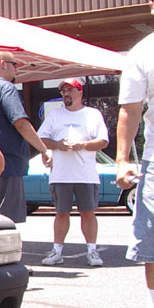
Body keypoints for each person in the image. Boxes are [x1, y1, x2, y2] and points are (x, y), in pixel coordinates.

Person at [116, 0, 154, 308]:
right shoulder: (143, 53)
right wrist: (122, 158)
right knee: (153, 238)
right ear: (153, 6)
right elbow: (129, 110)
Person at [0, 51, 52, 222]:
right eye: (15, 64)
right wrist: (44, 150)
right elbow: (20, 123)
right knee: (5, 221)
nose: (17, 69)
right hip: (5, 162)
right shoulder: (6, 88)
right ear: (3, 64)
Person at [37, 78, 108, 267]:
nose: (66, 94)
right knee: (61, 213)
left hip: (86, 175)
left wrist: (82, 145)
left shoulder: (92, 114)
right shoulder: (55, 115)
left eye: (70, 90)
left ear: (80, 92)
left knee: (88, 213)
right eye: (63, 91)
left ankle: (92, 252)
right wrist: (57, 145)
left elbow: (103, 141)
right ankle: (57, 252)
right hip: (60, 174)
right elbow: (41, 138)